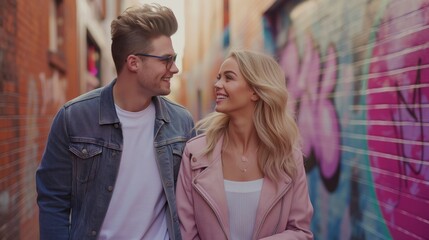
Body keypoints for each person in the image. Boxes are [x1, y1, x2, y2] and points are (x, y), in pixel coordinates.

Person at [36, 4, 195, 240]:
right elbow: (53, 201)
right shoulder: (74, 118)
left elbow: (192, 201)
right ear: (133, 62)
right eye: (166, 60)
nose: (175, 68)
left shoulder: (181, 123)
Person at [176, 49, 314, 240]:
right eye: (218, 78)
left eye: (228, 78)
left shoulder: (288, 158)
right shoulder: (195, 154)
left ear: (255, 92)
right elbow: (186, 234)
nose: (217, 84)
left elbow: (300, 232)